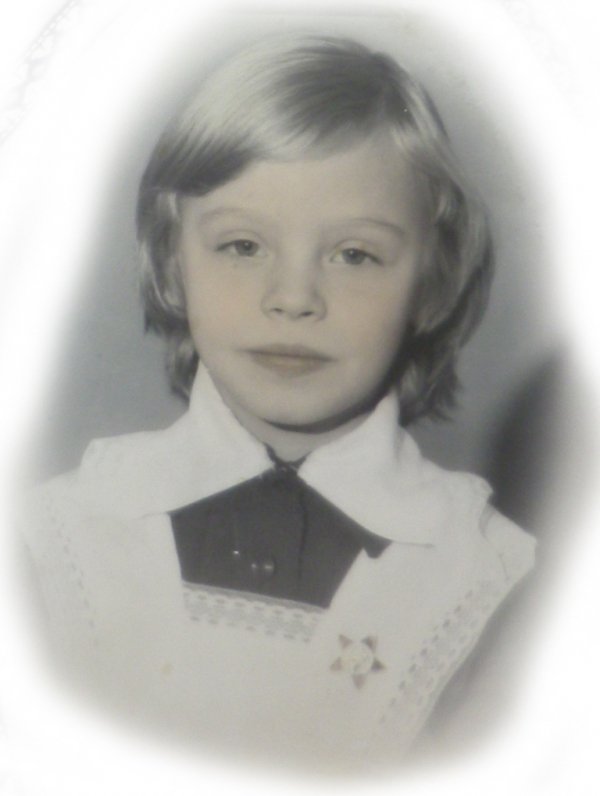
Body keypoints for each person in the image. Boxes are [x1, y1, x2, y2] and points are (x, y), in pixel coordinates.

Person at [21, 33, 536, 771]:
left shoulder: (489, 581)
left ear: (430, 285)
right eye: (243, 246)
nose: (293, 298)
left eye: (354, 255)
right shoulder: (54, 541)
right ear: (172, 262)